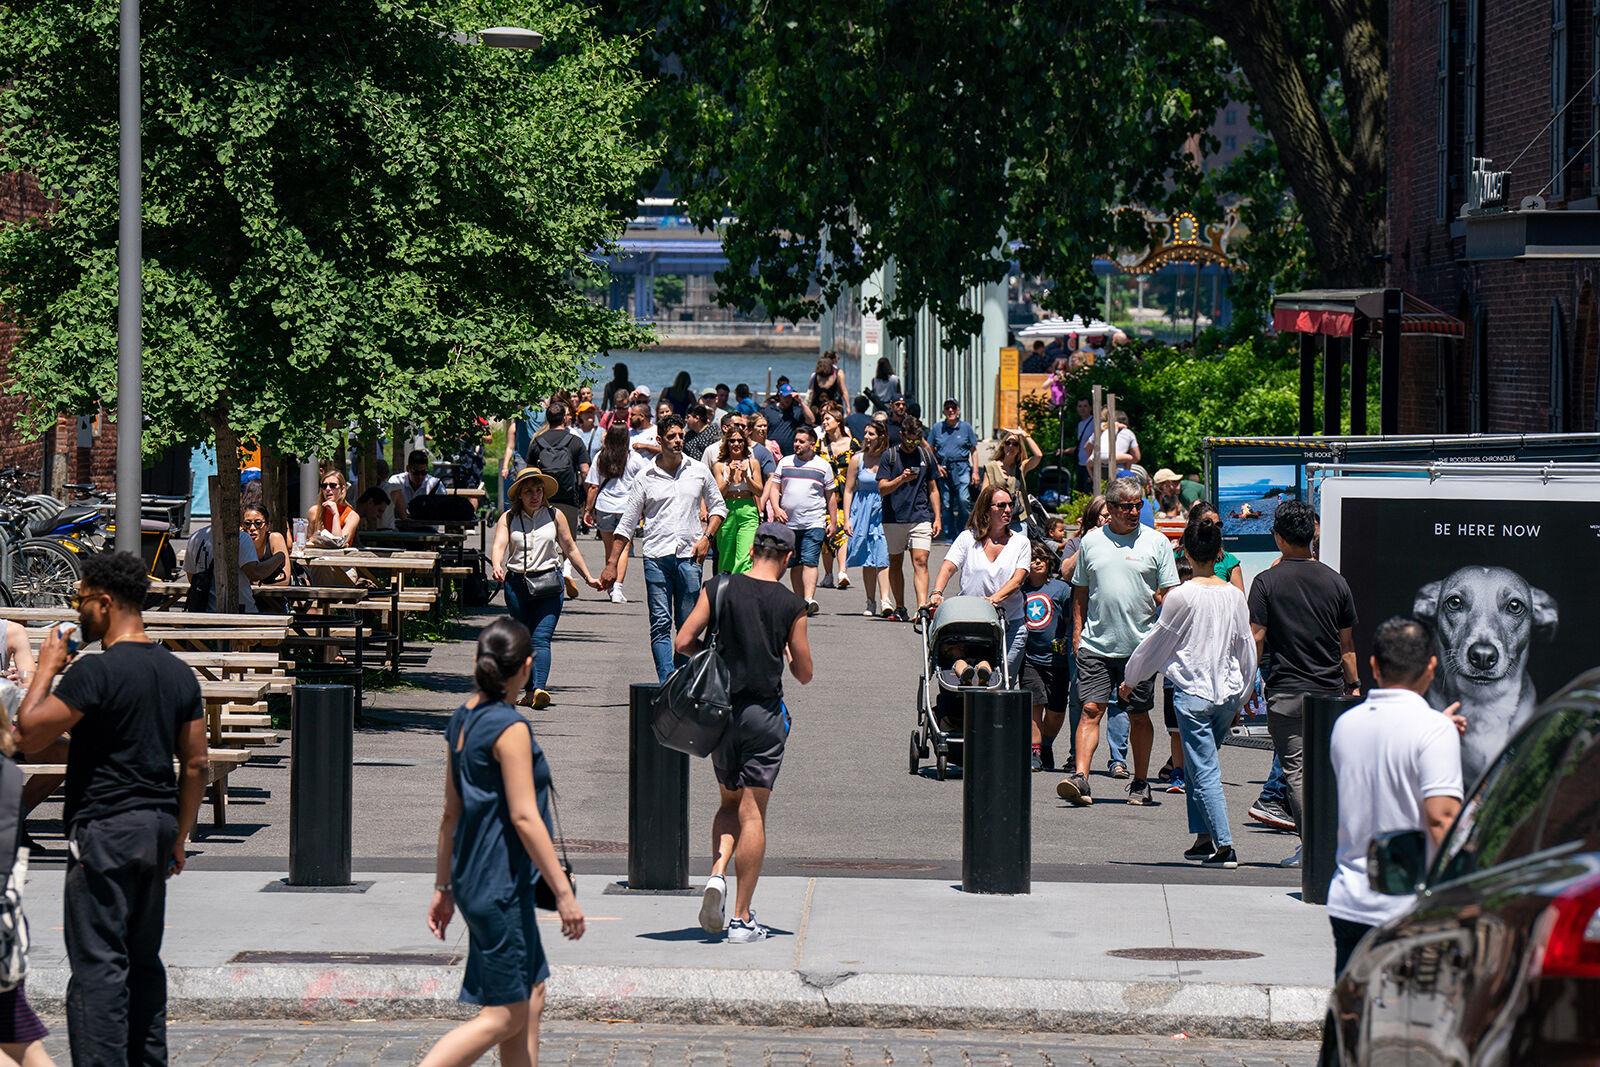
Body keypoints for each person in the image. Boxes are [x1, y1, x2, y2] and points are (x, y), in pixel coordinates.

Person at [15, 552, 207, 1065]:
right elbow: (196, 765)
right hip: (157, 830)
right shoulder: (178, 674)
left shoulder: (94, 673)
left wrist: (49, 667)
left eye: (81, 602)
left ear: (105, 602)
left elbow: (29, 734)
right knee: (143, 963)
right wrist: (180, 837)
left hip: (103, 831)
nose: (78, 613)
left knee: (99, 965)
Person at [421, 618, 585, 1067]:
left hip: (478, 878)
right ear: (528, 667)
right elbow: (525, 816)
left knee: (531, 992)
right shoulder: (509, 728)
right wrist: (565, 894)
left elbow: (449, 815)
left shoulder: (462, 719)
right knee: (505, 1015)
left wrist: (443, 888)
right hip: (499, 883)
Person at [676, 523, 812, 944]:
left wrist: (714, 658)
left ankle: (717, 873)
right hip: (764, 715)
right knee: (754, 812)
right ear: (788, 558)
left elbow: (683, 640)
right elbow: (804, 673)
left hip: (722, 715)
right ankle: (740, 917)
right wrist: (786, 652)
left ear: (752, 550)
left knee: (728, 803)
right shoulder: (792, 605)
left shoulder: (720, 586)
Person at [1326, 618, 1466, 977]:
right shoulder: (1433, 731)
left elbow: (1385, 767)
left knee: (1355, 1012)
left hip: (1349, 899)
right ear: (1432, 667)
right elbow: (1441, 820)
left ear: (1374, 666)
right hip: (1409, 907)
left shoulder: (1346, 725)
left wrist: (1438, 730)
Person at [1121, 517, 1257, 868]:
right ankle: (1203, 837)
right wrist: (1243, 694)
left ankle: (1224, 844)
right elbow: (1246, 648)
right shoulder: (1234, 596)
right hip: (1226, 693)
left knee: (1204, 766)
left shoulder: (1180, 596)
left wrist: (1131, 678)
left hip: (1193, 692)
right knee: (1200, 764)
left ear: (1185, 551)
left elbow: (1155, 643)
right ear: (1219, 553)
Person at [1055, 476, 1180, 808]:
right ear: (1109, 509)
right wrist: (1078, 636)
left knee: (1138, 714)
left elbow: (1170, 596)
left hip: (1140, 649)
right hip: (1096, 645)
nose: (1134, 511)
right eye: (1126, 506)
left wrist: (1163, 641)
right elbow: (1080, 590)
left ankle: (1140, 782)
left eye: (1139, 505)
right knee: (1091, 709)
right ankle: (1081, 777)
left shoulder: (1157, 543)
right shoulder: (1092, 542)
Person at [1248, 499, 1359, 867]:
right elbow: (1347, 647)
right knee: (1326, 772)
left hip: (1285, 691)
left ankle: (1313, 848)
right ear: (1313, 533)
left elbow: (1257, 638)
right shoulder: (1336, 581)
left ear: (1278, 538)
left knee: (1295, 771)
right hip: (1329, 693)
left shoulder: (1266, 582)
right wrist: (1354, 686)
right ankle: (1330, 846)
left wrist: (1247, 684)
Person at [601, 415, 728, 682]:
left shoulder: (697, 470)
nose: (678, 440)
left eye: (680, 436)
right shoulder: (645, 477)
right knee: (660, 623)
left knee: (687, 626)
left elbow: (718, 507)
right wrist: (612, 563)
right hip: (656, 557)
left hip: (689, 557)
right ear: (659, 440)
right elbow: (626, 523)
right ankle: (667, 681)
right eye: (671, 437)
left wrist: (707, 537)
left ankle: (682, 681)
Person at [488, 467, 603, 709]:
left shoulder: (554, 515)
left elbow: (570, 548)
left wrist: (589, 577)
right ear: (520, 494)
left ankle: (538, 688)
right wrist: (497, 565)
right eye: (529, 491)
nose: (535, 495)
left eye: (538, 490)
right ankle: (530, 692)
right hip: (517, 585)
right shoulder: (508, 517)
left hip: (549, 584)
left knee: (541, 638)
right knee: (524, 640)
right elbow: (499, 543)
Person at [929, 484, 1030, 678]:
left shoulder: (1020, 542)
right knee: (967, 680)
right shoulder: (968, 538)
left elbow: (1017, 579)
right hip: (972, 622)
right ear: (986, 509)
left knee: (1000, 681)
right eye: (1001, 505)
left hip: (1009, 622)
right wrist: (937, 592)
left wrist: (993, 600)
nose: (1008, 510)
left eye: (1010, 505)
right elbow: (948, 566)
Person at [761, 426, 836, 616]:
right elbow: (774, 487)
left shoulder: (823, 466)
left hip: (814, 522)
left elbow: (830, 496)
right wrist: (776, 508)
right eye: (796, 440)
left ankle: (809, 598)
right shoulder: (785, 463)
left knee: (810, 560)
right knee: (794, 563)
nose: (797, 444)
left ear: (812, 443)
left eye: (801, 441)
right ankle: (799, 600)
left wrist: (833, 522)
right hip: (789, 524)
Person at [877, 417, 941, 622]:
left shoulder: (925, 454)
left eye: (916, 440)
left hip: (920, 516)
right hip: (894, 517)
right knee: (895, 562)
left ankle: (922, 608)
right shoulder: (890, 455)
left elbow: (933, 488)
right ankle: (900, 607)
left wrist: (937, 517)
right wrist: (901, 479)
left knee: (920, 561)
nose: (912, 445)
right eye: (909, 440)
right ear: (902, 435)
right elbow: (882, 488)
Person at [1020, 542, 1073, 772]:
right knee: (1035, 704)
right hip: (1030, 657)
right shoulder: (1020, 590)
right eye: (1032, 558)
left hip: (1057, 660)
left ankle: (1047, 743)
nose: (1038, 561)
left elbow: (1073, 617)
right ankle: (1034, 750)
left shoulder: (1061, 589)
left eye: (1042, 558)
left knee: (1056, 711)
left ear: (1050, 562)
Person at [583, 426, 649, 605]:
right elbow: (645, 482)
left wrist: (588, 510)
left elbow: (593, 486)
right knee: (623, 550)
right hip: (627, 508)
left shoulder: (600, 457)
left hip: (605, 506)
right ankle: (618, 587)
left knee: (609, 548)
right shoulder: (634, 458)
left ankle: (611, 587)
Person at [183, 514, 283, 613]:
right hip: (241, 611)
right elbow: (255, 573)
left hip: (202, 611)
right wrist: (279, 557)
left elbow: (191, 577)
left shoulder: (196, 537)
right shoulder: (242, 538)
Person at [843, 421, 892, 617]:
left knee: (882, 554)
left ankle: (885, 599)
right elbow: (848, 490)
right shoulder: (858, 459)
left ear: (881, 436)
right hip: (861, 509)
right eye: (866, 433)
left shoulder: (888, 458)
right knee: (866, 556)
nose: (866, 437)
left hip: (882, 509)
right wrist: (847, 518)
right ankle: (870, 601)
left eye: (871, 433)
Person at [712, 422, 765, 575]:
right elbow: (718, 493)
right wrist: (728, 479)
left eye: (740, 441)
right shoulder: (719, 465)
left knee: (745, 556)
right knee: (726, 557)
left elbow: (759, 491)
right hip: (727, 510)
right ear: (727, 443)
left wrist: (746, 478)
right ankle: (725, 589)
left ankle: (741, 588)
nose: (736, 444)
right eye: (732, 441)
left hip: (747, 509)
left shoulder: (752, 463)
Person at [817, 410, 856, 591]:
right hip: (824, 494)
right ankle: (828, 574)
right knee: (826, 534)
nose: (824, 422)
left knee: (841, 529)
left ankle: (842, 571)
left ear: (838, 420)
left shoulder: (852, 443)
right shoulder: (820, 444)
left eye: (827, 419)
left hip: (845, 495)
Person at [928, 398, 979, 539]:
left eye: (953, 408)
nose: (950, 410)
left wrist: (975, 471)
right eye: (947, 408)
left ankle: (964, 532)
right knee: (946, 503)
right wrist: (936, 466)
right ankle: (950, 535)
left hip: (962, 467)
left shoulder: (966, 427)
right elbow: (929, 449)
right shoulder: (937, 428)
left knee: (964, 500)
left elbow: (974, 450)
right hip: (944, 469)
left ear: (958, 410)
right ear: (944, 411)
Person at [981, 429, 1043, 501]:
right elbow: (983, 494)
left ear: (1019, 449)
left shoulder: (1022, 466)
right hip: (998, 510)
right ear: (1003, 446)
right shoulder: (991, 467)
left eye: (1015, 444)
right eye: (1008, 443)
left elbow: (1038, 455)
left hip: (1019, 511)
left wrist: (1024, 434)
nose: (1010, 446)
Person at [384, 449, 444, 522]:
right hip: (401, 529)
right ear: (407, 468)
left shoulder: (435, 484)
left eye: (423, 472)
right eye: (416, 472)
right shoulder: (396, 481)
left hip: (428, 530)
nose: (420, 476)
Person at [306, 466, 360, 545]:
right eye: (324, 486)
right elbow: (308, 541)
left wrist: (335, 514)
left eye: (332, 485)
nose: (328, 489)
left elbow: (338, 543)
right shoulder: (314, 511)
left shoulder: (352, 516)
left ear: (343, 489)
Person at [242, 503, 291, 587]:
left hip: (277, 596)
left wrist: (260, 584)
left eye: (258, 523)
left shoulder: (275, 538)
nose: (252, 528)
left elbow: (285, 580)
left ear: (267, 526)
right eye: (247, 524)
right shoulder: (241, 541)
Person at [761, 384, 814, 456]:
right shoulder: (769, 410)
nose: (788, 399)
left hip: (790, 454)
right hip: (771, 453)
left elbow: (811, 420)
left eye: (790, 397)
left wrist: (801, 401)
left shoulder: (796, 411)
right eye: (785, 396)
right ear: (780, 395)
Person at [1072, 398, 1095, 493]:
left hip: (1090, 465)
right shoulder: (1080, 424)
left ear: (1090, 408)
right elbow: (1081, 445)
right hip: (1081, 464)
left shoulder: (1094, 422)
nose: (1082, 409)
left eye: (1085, 406)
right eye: (1080, 406)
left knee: (1088, 492)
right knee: (1080, 492)